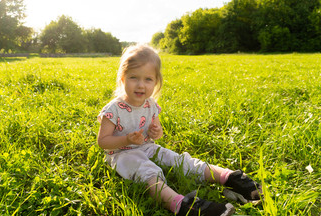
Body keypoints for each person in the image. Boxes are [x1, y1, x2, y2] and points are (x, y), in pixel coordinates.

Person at [97, 44, 262, 216]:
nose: (141, 85)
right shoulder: (113, 109)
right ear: (123, 79)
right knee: (147, 172)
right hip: (122, 154)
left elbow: (157, 130)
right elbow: (103, 142)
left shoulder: (150, 104)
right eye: (133, 78)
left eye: (148, 79)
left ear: (156, 81)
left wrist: (156, 132)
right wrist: (126, 140)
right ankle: (182, 206)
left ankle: (229, 178)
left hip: (148, 147)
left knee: (180, 161)